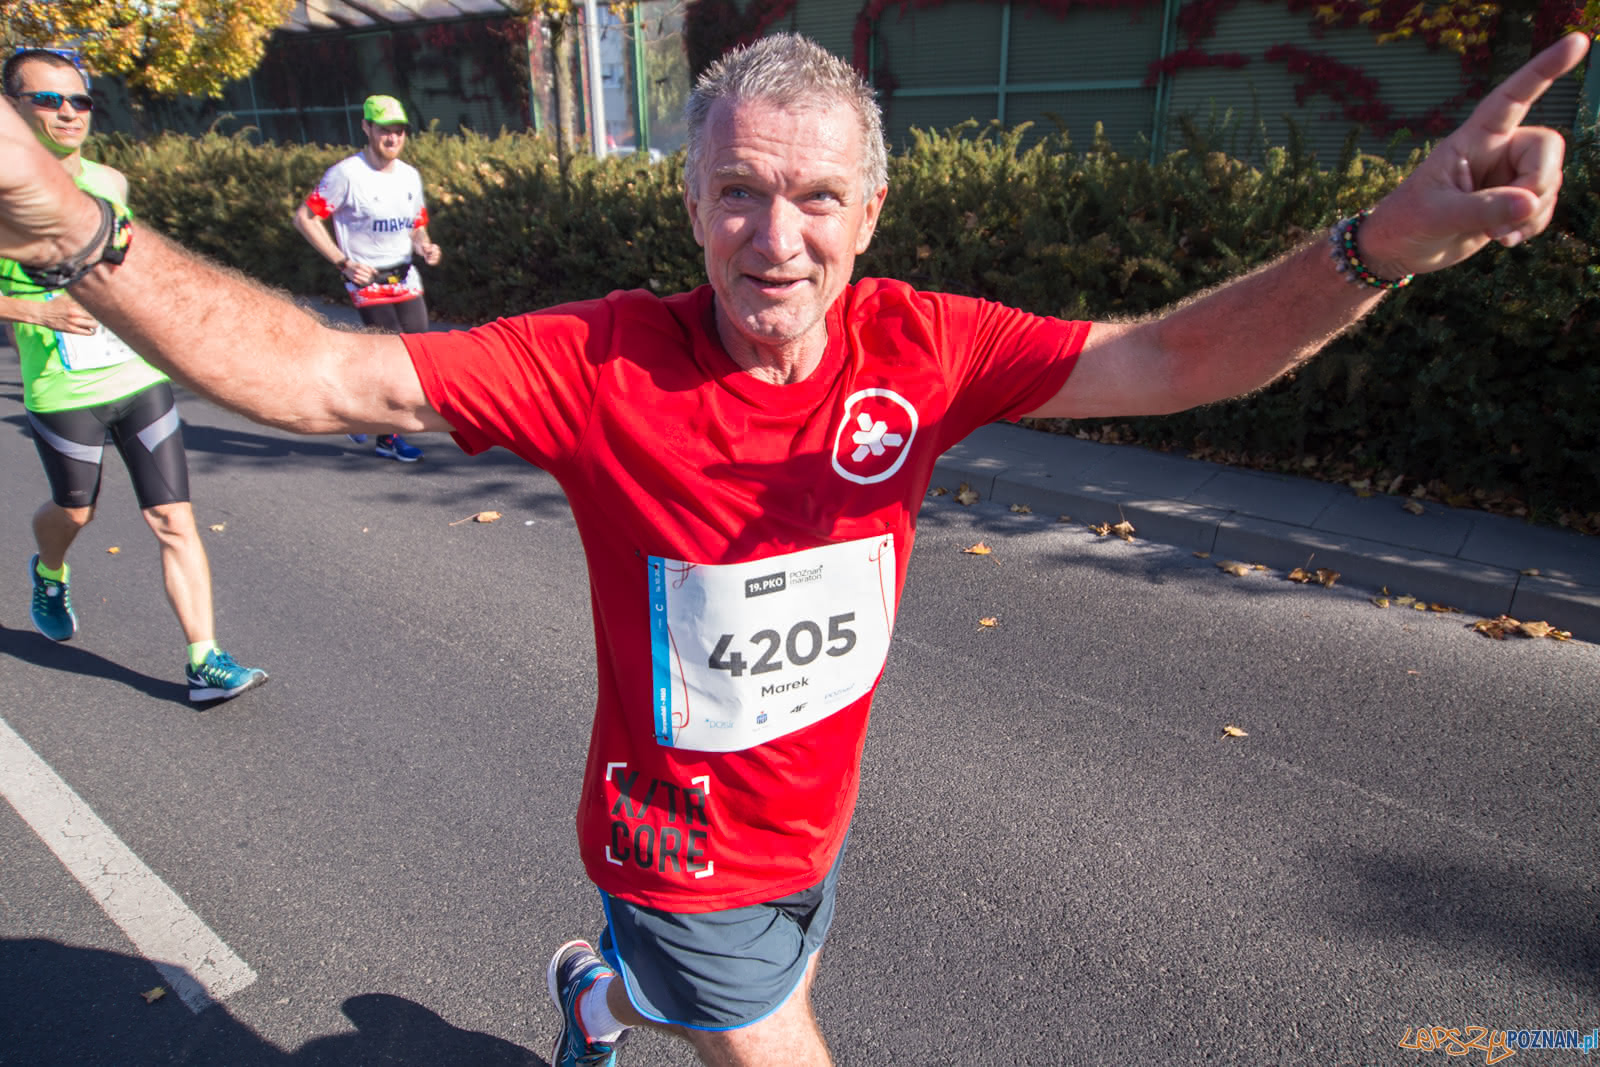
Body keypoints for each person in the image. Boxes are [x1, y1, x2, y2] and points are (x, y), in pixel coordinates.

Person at [0, 30, 1587, 1065]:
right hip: (678, 846)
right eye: (740, 193)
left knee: (745, 979)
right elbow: (325, 376)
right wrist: (72, 225)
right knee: (771, 1031)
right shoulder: (598, 359)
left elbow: (1171, 358)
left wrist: (1380, 245)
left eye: (816, 197)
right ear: (691, 204)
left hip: (814, 819)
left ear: (871, 212)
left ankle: (596, 988)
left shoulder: (925, 344)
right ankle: (630, 968)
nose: (778, 237)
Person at [0, 48, 266, 704]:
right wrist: (35, 309)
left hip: (136, 375)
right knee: (75, 510)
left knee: (173, 516)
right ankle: (49, 569)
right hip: (63, 388)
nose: (69, 112)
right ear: (11, 108)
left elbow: (130, 272)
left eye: (80, 101)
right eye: (49, 100)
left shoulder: (109, 182)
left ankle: (204, 659)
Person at [292, 93, 442, 463]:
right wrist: (342, 262)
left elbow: (416, 225)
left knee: (417, 353)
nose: (393, 138)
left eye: (399, 131)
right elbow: (305, 218)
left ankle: (355, 410)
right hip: (368, 280)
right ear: (367, 128)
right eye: (384, 130)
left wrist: (425, 246)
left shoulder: (409, 176)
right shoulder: (346, 175)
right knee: (391, 357)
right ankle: (387, 437)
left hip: (405, 277)